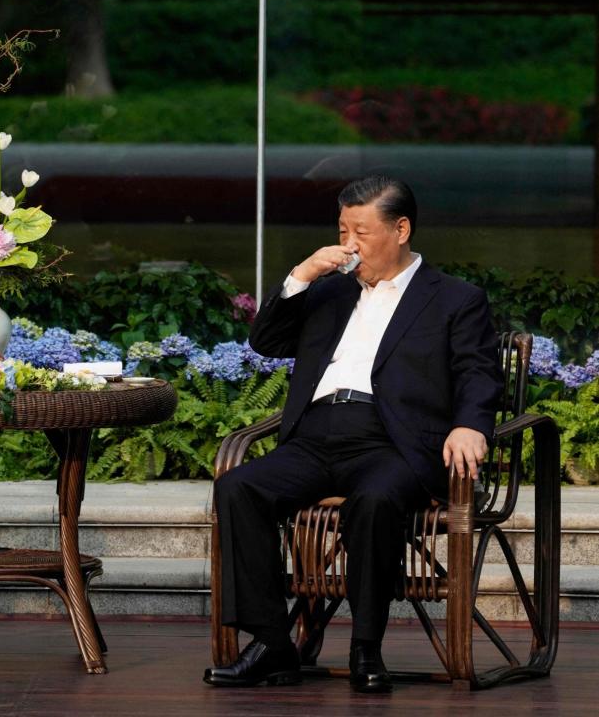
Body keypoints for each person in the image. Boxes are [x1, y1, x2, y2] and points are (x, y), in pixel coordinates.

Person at [203, 175, 501, 694]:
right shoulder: (333, 290)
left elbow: (477, 370)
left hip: (393, 442)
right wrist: (300, 276)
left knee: (376, 498)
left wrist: (471, 424)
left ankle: (366, 645)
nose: (348, 244)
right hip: (315, 437)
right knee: (238, 486)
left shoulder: (454, 298)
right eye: (342, 230)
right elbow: (267, 341)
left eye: (359, 232)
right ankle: (274, 644)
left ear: (401, 229)